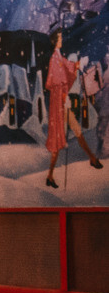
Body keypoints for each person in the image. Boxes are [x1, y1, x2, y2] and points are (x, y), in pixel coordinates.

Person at [43, 31, 103, 187]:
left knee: (77, 131)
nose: (62, 40)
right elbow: (58, 81)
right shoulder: (54, 59)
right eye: (60, 38)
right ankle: (50, 176)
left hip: (64, 105)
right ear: (56, 41)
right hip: (60, 106)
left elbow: (68, 69)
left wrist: (78, 64)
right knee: (58, 140)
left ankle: (92, 159)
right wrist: (63, 97)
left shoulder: (59, 58)